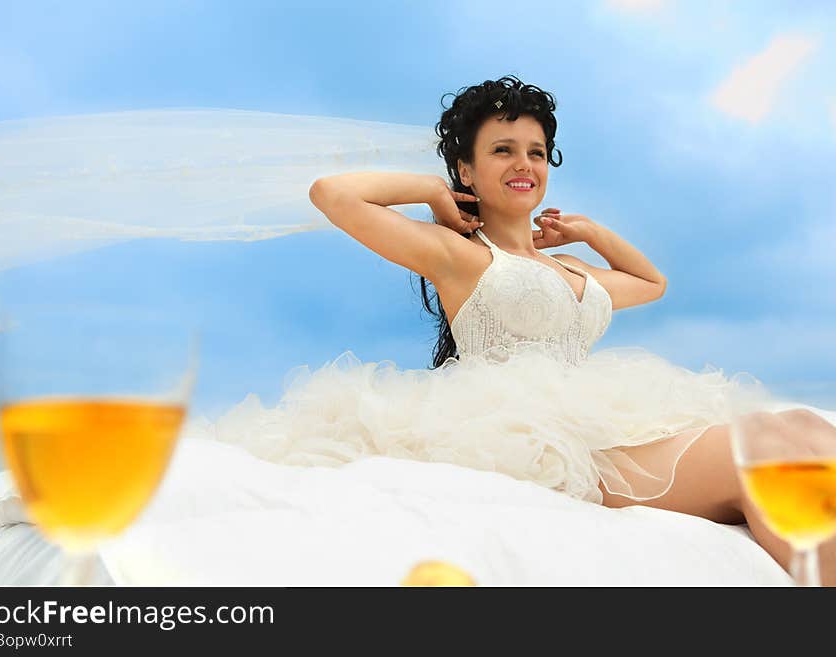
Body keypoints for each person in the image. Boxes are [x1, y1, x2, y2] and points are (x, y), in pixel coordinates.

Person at [273, 75, 832, 585]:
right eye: (502, 150)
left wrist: (590, 232)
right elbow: (333, 193)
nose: (525, 164)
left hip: (601, 422)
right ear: (466, 170)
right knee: (765, 450)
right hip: (538, 441)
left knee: (804, 424)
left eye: (536, 153)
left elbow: (652, 282)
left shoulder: (572, 270)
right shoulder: (460, 256)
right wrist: (428, 189)